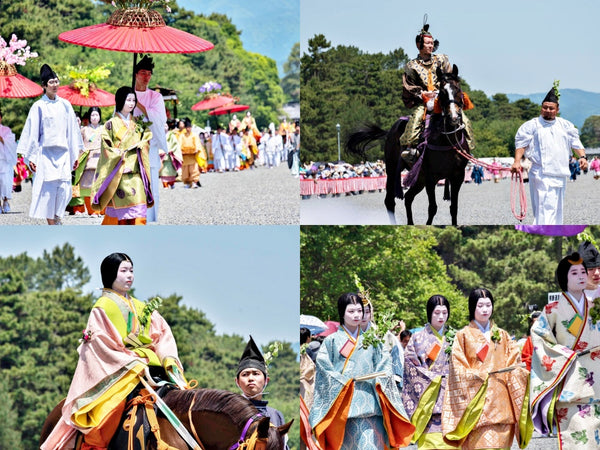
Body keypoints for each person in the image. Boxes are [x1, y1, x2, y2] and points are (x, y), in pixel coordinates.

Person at [40, 252, 187, 450]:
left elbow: (163, 335)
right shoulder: (103, 307)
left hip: (152, 371)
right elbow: (101, 344)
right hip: (122, 372)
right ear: (111, 274)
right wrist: (135, 359)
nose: (129, 275)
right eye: (123, 270)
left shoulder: (143, 307)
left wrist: (167, 358)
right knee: (108, 413)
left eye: (132, 270)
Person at [309, 292, 415, 449]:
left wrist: (380, 379)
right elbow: (324, 371)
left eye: (360, 311)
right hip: (342, 410)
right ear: (342, 313)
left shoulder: (373, 341)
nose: (357, 315)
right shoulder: (331, 341)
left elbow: (385, 366)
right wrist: (345, 384)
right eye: (351, 311)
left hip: (371, 407)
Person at [442, 288, 530, 450]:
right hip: (476, 408)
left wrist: (523, 373)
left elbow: (514, 365)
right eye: (480, 305)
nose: (485, 309)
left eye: (488, 305)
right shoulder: (463, 336)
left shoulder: (502, 335)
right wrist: (479, 376)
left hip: (501, 406)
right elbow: (457, 370)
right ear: (472, 308)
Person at [530, 252, 600, 449]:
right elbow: (540, 337)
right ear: (564, 278)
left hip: (596, 383)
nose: (581, 276)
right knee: (578, 442)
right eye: (574, 272)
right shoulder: (552, 308)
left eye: (583, 272)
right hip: (570, 382)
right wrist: (565, 355)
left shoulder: (595, 306)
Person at [16, 64, 83, 224]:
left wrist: (76, 154)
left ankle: (58, 218)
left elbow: (73, 131)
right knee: (47, 192)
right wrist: (31, 157)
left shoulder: (65, 105)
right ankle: (52, 224)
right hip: (45, 155)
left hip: (64, 154)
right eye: (51, 82)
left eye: (56, 81)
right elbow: (32, 133)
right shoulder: (38, 106)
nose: (54, 85)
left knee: (64, 190)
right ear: (44, 86)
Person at [511, 84, 588, 225]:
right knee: (545, 208)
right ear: (541, 108)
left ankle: (554, 232)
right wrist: (517, 161)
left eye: (551, 108)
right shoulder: (532, 125)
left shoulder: (565, 125)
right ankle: (544, 233)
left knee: (557, 209)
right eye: (545, 107)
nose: (547, 110)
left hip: (560, 173)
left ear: (557, 110)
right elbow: (521, 144)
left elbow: (576, 143)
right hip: (540, 172)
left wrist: (582, 157)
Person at [400, 19, 473, 153]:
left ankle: (467, 148)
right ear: (419, 45)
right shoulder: (412, 66)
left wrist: (447, 91)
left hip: (443, 99)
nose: (431, 46)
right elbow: (408, 87)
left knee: (464, 120)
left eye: (432, 43)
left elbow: (451, 78)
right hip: (424, 101)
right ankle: (410, 149)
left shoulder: (441, 59)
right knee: (416, 119)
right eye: (428, 43)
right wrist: (423, 94)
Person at [90, 86, 153, 225]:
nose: (131, 103)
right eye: (128, 100)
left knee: (139, 214)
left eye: (133, 100)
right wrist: (119, 155)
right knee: (121, 219)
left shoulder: (139, 123)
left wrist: (142, 145)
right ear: (120, 101)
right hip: (118, 175)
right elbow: (106, 147)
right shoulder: (110, 124)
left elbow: (146, 140)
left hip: (135, 173)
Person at [403, 295, 455, 449]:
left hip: (452, 402)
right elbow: (410, 367)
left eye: (444, 313)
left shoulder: (455, 337)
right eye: (437, 312)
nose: (441, 317)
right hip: (428, 405)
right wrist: (435, 379)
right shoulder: (417, 338)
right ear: (429, 313)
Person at [235, 335, 290, 449]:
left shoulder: (276, 416)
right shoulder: (231, 411)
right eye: (245, 374)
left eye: (256, 373)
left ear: (266, 380)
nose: (250, 378)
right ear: (237, 382)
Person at [133, 55, 167, 222]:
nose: (146, 77)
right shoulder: (126, 94)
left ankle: (150, 220)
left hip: (150, 147)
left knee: (151, 186)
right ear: (135, 74)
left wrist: (138, 104)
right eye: (142, 73)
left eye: (149, 73)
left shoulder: (156, 97)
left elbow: (159, 120)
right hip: (130, 147)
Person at [76, 106, 103, 215]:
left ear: (100, 116)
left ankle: (99, 209)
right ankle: (91, 210)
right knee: (87, 186)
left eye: (97, 115)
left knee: (100, 186)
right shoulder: (84, 130)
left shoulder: (104, 129)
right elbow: (79, 145)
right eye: (92, 115)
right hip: (87, 161)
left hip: (101, 160)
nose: (95, 117)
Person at [177, 117, 203, 188]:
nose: (189, 129)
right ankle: (187, 183)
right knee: (185, 170)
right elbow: (179, 144)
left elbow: (197, 143)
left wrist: (196, 149)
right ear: (185, 128)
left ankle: (194, 182)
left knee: (193, 169)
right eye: (187, 127)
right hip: (185, 156)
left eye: (190, 127)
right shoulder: (182, 135)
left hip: (192, 156)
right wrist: (180, 150)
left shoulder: (194, 135)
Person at [0, 107, 16, 213]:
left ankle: (5, 201)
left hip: (4, 160)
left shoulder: (6, 130)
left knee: (5, 182)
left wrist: (2, 138)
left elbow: (11, 143)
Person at [159, 120, 183, 189]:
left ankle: (172, 183)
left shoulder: (171, 135)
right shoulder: (159, 135)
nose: (165, 127)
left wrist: (171, 150)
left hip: (170, 155)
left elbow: (175, 144)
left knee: (171, 171)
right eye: (163, 126)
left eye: (166, 126)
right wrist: (161, 151)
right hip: (162, 155)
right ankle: (165, 184)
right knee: (163, 171)